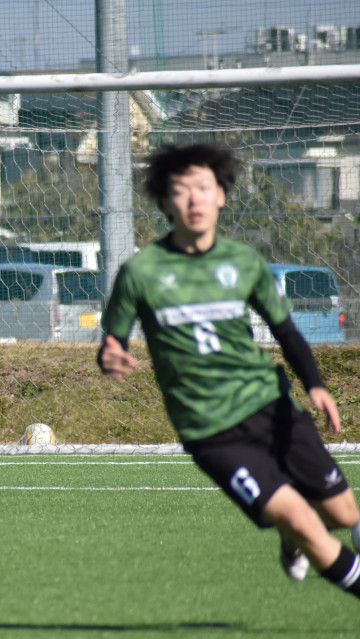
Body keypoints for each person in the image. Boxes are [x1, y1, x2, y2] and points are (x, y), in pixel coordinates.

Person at [98, 142, 360, 599]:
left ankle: (289, 532)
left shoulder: (243, 262)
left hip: (272, 405)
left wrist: (315, 385)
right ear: (164, 202)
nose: (194, 200)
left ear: (222, 193)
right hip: (211, 430)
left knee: (343, 515)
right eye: (181, 191)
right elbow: (112, 341)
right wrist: (111, 354)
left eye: (204, 187)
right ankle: (295, 531)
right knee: (303, 521)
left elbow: (286, 330)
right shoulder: (140, 272)